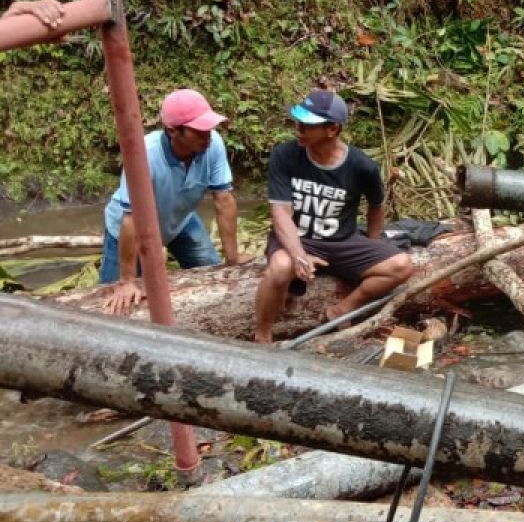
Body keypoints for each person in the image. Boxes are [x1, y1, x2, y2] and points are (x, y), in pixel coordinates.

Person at [254, 89, 414, 344]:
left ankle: (342, 309)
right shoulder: (285, 155)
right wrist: (298, 255)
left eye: (308, 124)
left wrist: (374, 241)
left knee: (401, 265)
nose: (299, 128)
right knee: (281, 268)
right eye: (298, 121)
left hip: (341, 242)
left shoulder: (363, 167)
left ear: (332, 130)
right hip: (296, 237)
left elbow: (376, 205)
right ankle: (262, 334)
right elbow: (281, 212)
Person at [102, 89, 248, 314]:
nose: (207, 136)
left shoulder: (213, 145)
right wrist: (127, 281)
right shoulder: (144, 156)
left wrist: (233, 257)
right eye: (199, 131)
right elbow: (130, 219)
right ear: (173, 131)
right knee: (112, 301)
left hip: (180, 221)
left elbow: (224, 200)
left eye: (209, 129)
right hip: (131, 229)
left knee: (214, 273)